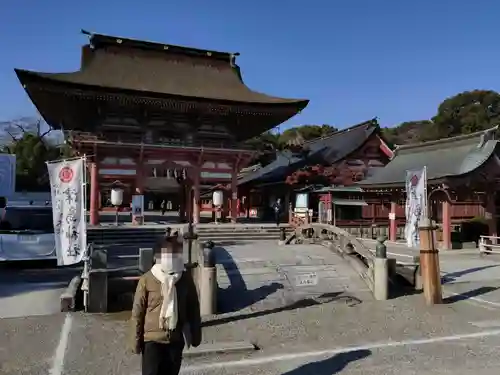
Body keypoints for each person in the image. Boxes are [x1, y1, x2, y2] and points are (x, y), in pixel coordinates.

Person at [130, 236, 201, 375]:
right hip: (151, 340)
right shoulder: (147, 279)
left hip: (175, 338)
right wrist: (135, 342)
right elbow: (137, 313)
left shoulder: (185, 278)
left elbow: (193, 308)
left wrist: (196, 336)